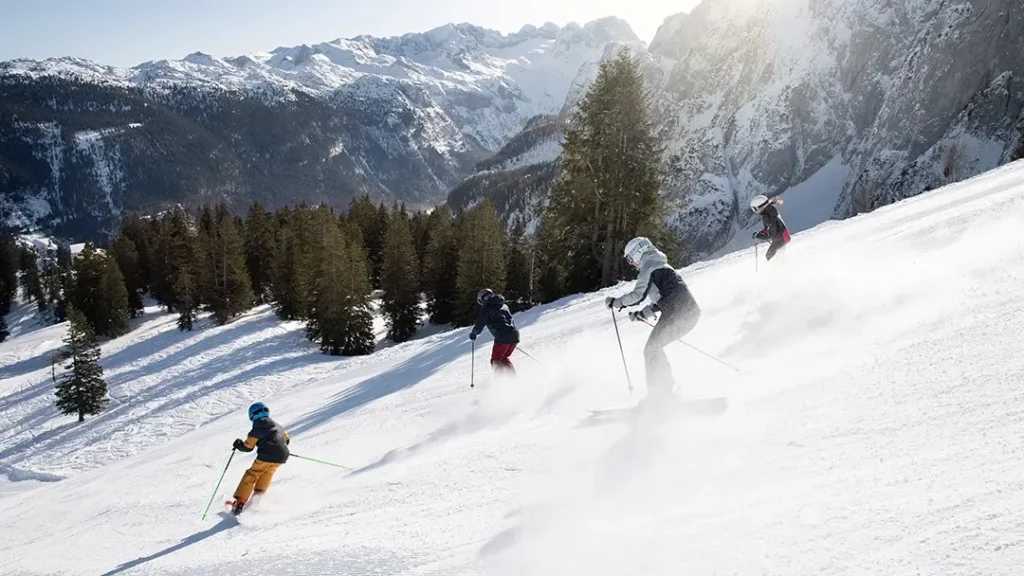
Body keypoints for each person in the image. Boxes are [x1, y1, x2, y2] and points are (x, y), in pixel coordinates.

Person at [605, 237, 701, 402]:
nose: (631, 263)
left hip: (678, 314)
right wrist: (642, 314)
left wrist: (616, 302)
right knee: (654, 348)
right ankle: (664, 392)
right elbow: (666, 298)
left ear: (638, 252)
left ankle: (660, 396)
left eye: (629, 258)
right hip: (689, 313)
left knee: (651, 349)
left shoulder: (649, 267)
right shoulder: (661, 265)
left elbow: (638, 296)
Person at [229, 402, 290, 515]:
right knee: (267, 473)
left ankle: (240, 502)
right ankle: (256, 499)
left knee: (252, 474)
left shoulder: (257, 428)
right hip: (281, 456)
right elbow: (286, 440)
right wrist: (279, 447)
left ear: (252, 416)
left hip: (267, 455)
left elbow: (248, 447)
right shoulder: (278, 425)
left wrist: (239, 445)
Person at [469, 288, 521, 377]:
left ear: (482, 299)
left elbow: (480, 323)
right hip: (515, 335)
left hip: (503, 337)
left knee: (496, 360)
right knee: (503, 358)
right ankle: (512, 380)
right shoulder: (503, 305)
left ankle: (499, 383)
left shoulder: (487, 308)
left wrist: (474, 333)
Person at [750, 194, 790, 261]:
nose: (755, 211)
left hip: (780, 239)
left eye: (755, 209)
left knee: (770, 256)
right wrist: (760, 233)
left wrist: (758, 236)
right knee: (778, 255)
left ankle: (781, 268)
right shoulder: (769, 210)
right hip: (782, 235)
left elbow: (770, 234)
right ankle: (783, 266)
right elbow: (769, 228)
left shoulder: (768, 217)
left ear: (760, 207)